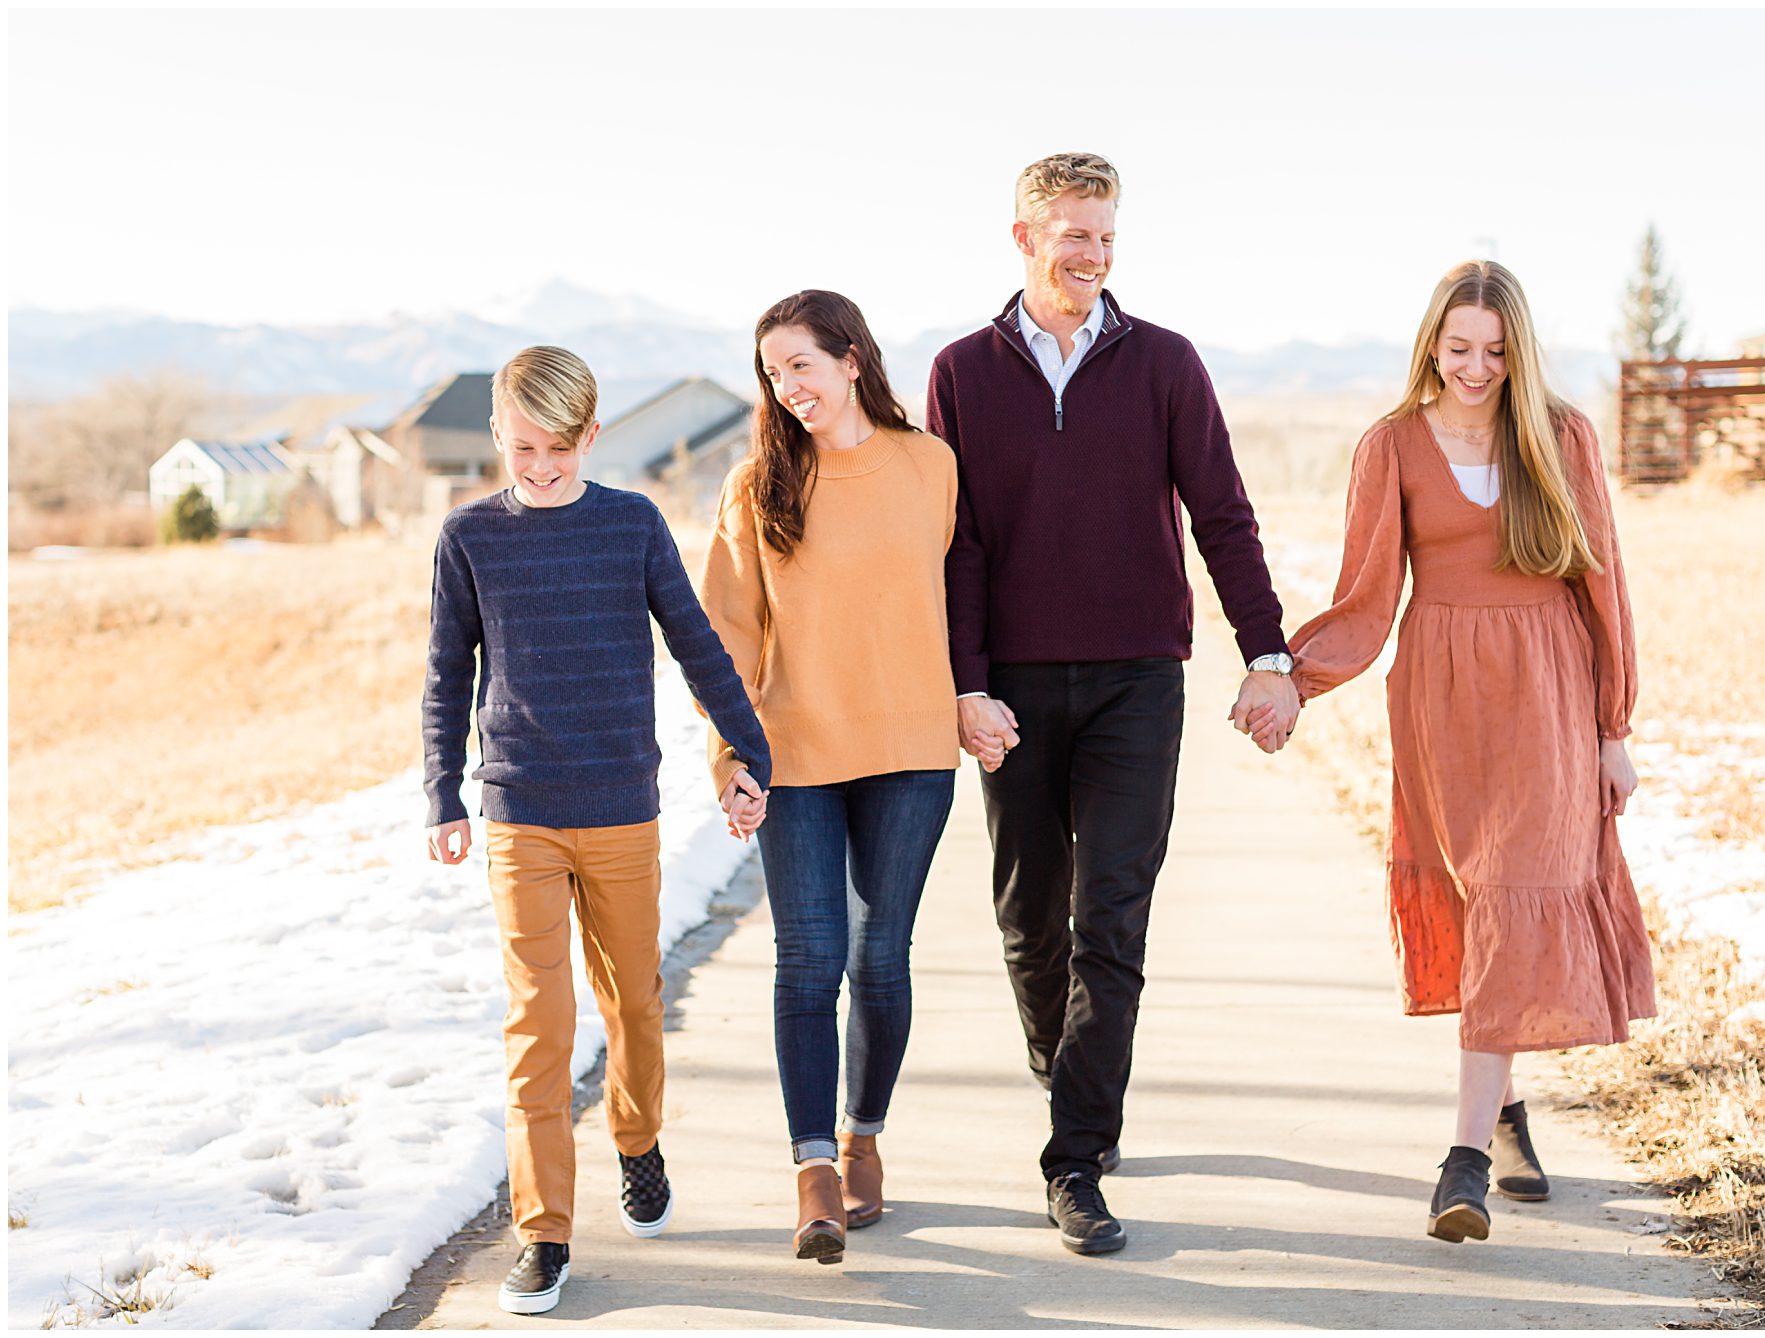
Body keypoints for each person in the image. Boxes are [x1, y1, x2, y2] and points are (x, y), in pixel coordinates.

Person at [927, 151, 1297, 1256]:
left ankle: (1075, 1155)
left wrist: (1266, 650)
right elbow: (957, 545)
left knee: (1114, 916)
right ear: (1023, 238)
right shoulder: (960, 372)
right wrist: (966, 682)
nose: (1089, 256)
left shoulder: (1166, 364)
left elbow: (1220, 515)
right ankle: (1065, 1074)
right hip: (1017, 691)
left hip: (1139, 676)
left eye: (1105, 236)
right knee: (1026, 915)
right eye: (1070, 235)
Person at [1280, 260, 1655, 1244]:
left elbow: (1601, 588)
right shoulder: (1390, 447)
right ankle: (1501, 1110)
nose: (1475, 368)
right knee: (1478, 898)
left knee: (1516, 889)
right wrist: (1290, 675)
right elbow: (1365, 601)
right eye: (1458, 350)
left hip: (1547, 696)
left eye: (1494, 351)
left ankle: (1465, 1161)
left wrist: (1612, 728)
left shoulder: (1561, 436)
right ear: (1430, 346)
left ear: (1515, 351)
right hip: (1441, 701)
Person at [422, 346, 771, 1315]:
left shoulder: (630, 525)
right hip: (519, 813)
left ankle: (637, 1139)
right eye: (522, 447)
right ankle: (541, 1234)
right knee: (539, 1022)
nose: (538, 467)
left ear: (592, 435)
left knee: (633, 1004)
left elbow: (697, 644)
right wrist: (440, 796)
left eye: (558, 448)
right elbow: (448, 676)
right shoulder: (467, 539)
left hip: (619, 807)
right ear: (497, 433)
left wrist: (750, 753)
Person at [699, 291, 960, 1266]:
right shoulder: (755, 483)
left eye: (800, 364)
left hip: (910, 753)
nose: (786, 386)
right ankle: (812, 1171)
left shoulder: (927, 464)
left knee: (879, 959)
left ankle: (863, 1137)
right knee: (808, 961)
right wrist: (729, 752)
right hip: (795, 757)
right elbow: (725, 631)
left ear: (852, 359)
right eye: (772, 372)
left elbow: (959, 590)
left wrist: (972, 695)